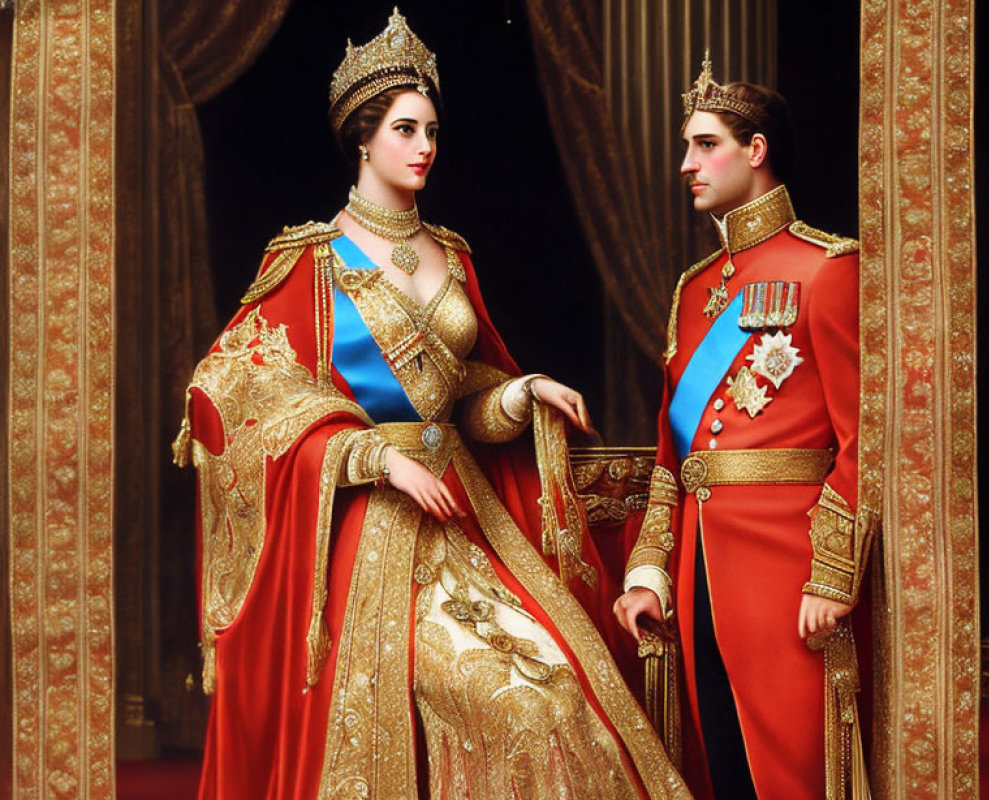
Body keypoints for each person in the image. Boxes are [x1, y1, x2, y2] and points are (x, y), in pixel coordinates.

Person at [173, 10, 689, 800]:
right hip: (368, 538)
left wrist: (520, 392)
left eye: (432, 130)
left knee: (559, 693)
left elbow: (467, 403)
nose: (425, 147)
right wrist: (372, 454)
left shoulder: (451, 254)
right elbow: (231, 393)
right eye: (406, 129)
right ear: (363, 137)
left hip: (465, 518)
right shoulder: (309, 263)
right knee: (501, 703)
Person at [614, 55, 874, 800]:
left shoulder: (827, 270)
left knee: (790, 767)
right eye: (687, 147)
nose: (686, 164)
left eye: (705, 145)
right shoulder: (693, 291)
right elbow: (675, 455)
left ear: (755, 150)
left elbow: (861, 442)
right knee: (724, 766)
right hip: (699, 569)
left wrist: (832, 574)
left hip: (787, 570)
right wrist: (649, 571)